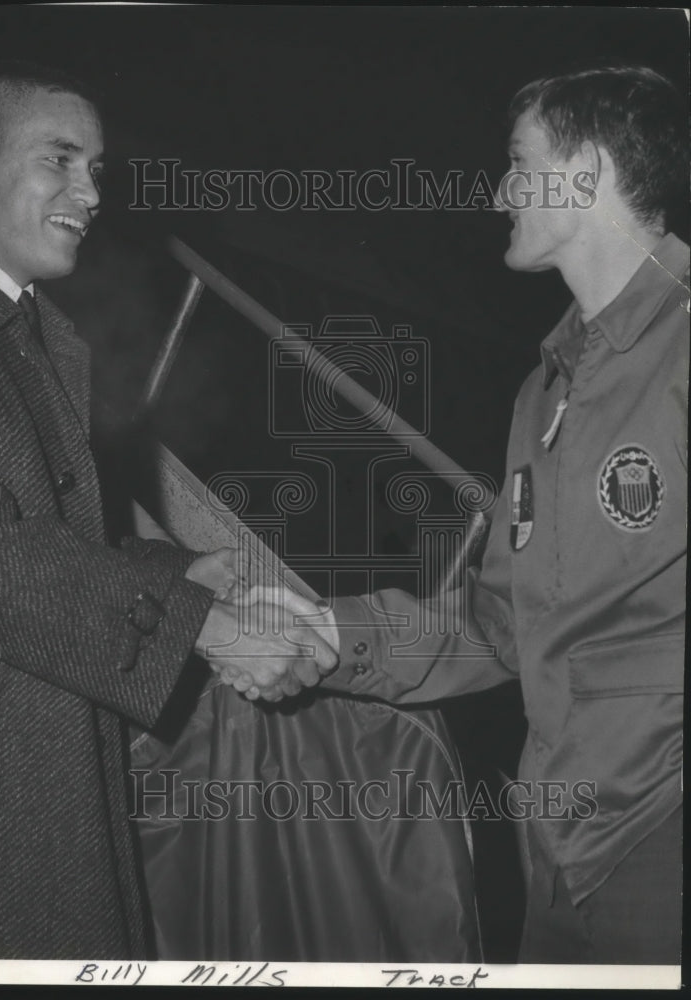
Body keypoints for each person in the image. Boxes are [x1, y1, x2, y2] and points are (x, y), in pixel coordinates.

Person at [0, 61, 335, 960]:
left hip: (25, 788)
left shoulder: (30, 330)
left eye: (98, 169)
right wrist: (206, 630)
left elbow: (44, 534)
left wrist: (182, 576)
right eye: (61, 160)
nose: (89, 191)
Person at [240, 66, 688, 963]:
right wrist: (334, 635)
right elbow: (499, 624)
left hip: (661, 838)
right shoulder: (543, 393)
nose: (498, 193)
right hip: (556, 849)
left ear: (586, 173)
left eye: (519, 164)